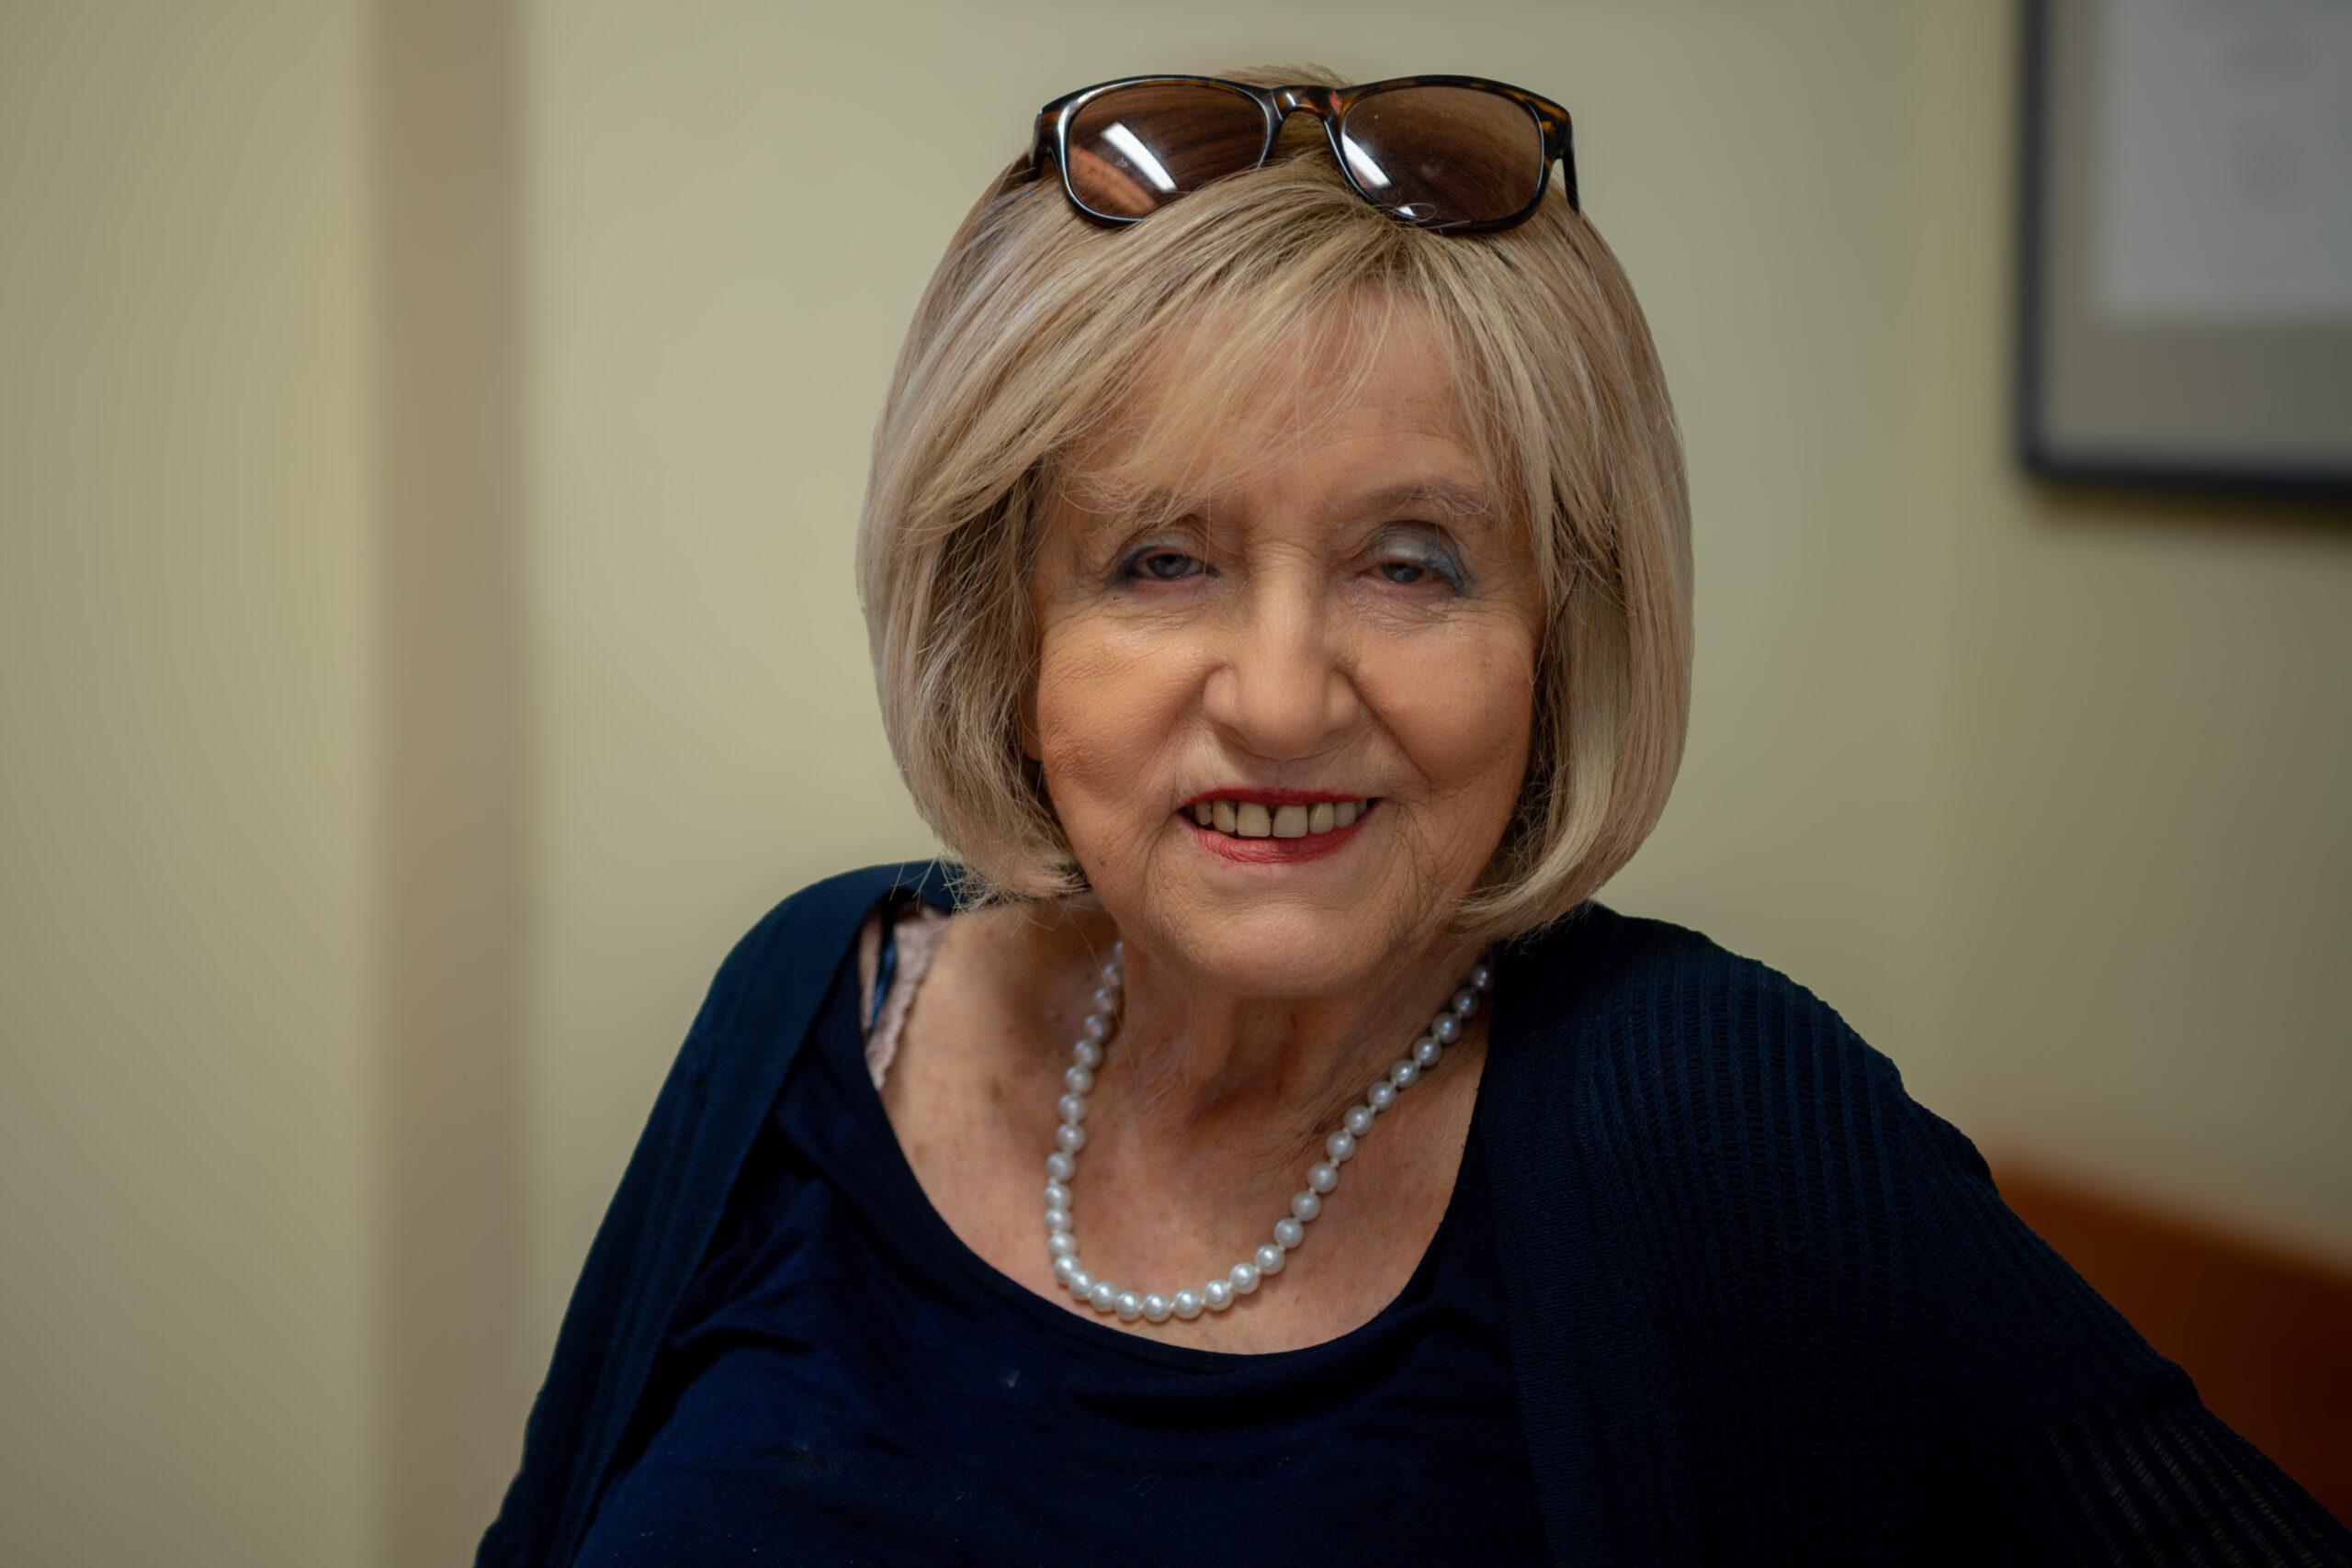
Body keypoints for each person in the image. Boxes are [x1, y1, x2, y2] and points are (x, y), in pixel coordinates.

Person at [480, 69, 2351, 1564]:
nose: (1284, 695)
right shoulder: (816, 1006)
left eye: (1410, 562)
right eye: (1160, 559)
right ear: (1010, 627)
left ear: (1555, 632)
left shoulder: (1722, 1112)